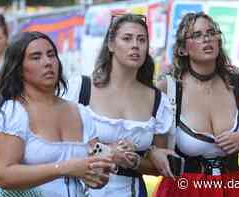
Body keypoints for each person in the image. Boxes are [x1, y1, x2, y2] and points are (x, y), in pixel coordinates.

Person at [0, 31, 115, 197]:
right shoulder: (12, 112)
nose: (48, 62)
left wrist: (103, 167)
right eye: (36, 57)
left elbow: (98, 173)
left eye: (51, 55)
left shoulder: (80, 112)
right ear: (18, 68)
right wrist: (64, 168)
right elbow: (4, 176)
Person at [63, 13, 174, 197]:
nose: (135, 45)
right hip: (79, 189)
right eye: (127, 38)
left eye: (142, 40)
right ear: (111, 44)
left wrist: (135, 161)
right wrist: (106, 152)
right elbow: (57, 143)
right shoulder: (81, 88)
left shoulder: (157, 100)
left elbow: (158, 168)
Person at [154, 12, 239, 197]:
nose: (207, 39)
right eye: (197, 35)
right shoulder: (169, 88)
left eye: (211, 33)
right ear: (183, 49)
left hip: (233, 188)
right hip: (184, 190)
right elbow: (153, 149)